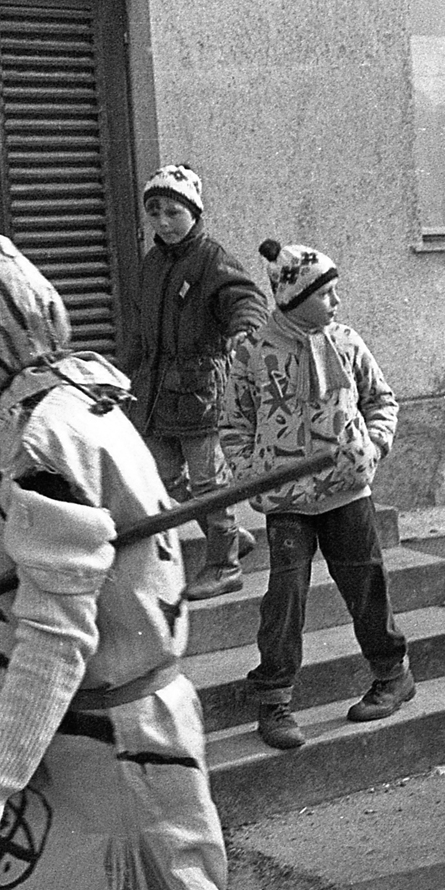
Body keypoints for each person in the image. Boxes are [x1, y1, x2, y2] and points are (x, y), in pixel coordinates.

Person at [0, 218, 247, 890]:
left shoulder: (44, 439)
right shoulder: (79, 400)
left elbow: (56, 637)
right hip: (117, 727)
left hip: (116, 736)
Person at [221, 239, 410, 750]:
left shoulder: (346, 342)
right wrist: (252, 471)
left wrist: (372, 446)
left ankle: (393, 676)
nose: (336, 302)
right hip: (287, 499)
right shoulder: (254, 352)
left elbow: (381, 400)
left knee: (366, 586)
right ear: (295, 298)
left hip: (347, 492)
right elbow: (234, 422)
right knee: (285, 599)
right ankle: (274, 700)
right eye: (326, 294)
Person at [121, 165, 267, 601]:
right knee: (162, 478)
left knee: (207, 482)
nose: (163, 222)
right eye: (155, 212)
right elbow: (139, 330)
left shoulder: (211, 258)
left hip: (200, 388)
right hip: (154, 391)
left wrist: (245, 328)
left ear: (194, 212)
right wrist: (122, 376)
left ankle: (225, 566)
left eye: (173, 212)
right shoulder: (152, 264)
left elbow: (247, 299)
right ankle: (229, 534)